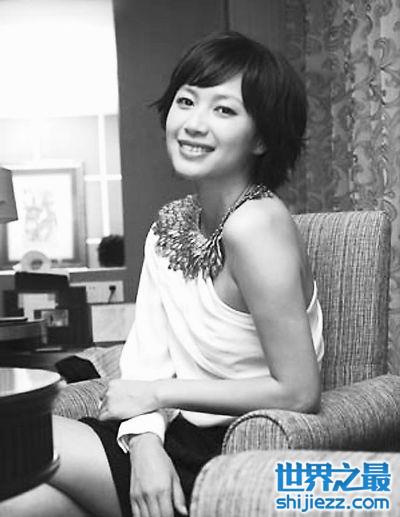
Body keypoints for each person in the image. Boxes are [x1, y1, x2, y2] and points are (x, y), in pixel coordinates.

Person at [2, 31, 324, 517]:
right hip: (166, 439)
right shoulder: (168, 229)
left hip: (232, 452)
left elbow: (299, 391)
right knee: (20, 502)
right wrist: (145, 445)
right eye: (186, 101)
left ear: (261, 137)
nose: (194, 123)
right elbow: (147, 365)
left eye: (224, 110)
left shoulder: (258, 224)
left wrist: (155, 395)